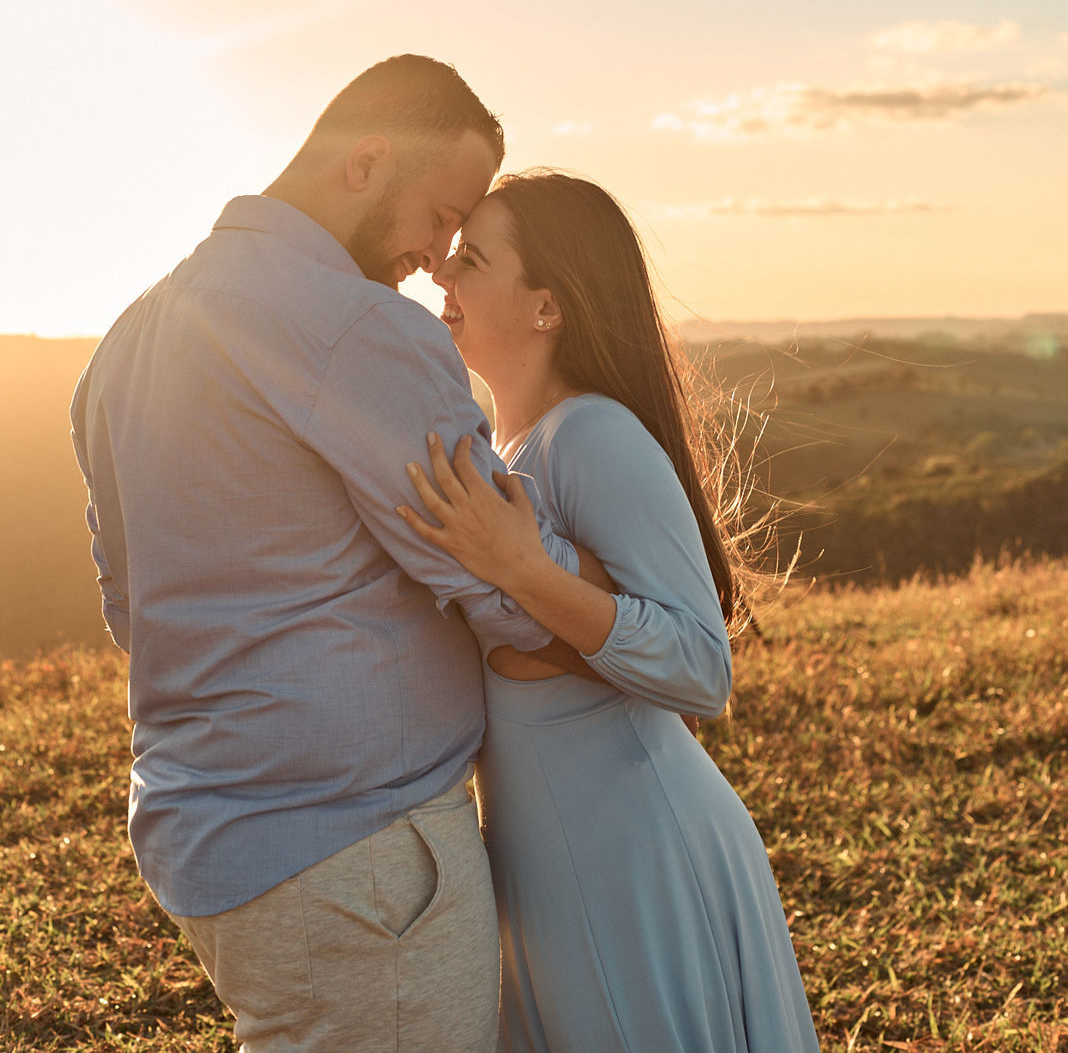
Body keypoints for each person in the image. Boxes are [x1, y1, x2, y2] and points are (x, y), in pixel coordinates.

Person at [69, 57, 592, 1053]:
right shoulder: (358, 328)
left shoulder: (128, 340)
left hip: (213, 845)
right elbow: (511, 590)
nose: (437, 258)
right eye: (441, 215)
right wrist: (638, 612)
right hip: (362, 855)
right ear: (365, 163)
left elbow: (132, 607)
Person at [399, 170, 821, 1053]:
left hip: (637, 856)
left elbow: (702, 668)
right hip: (555, 859)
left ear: (547, 307)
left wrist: (525, 571)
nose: (442, 271)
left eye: (473, 257)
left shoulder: (592, 435)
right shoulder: (510, 446)